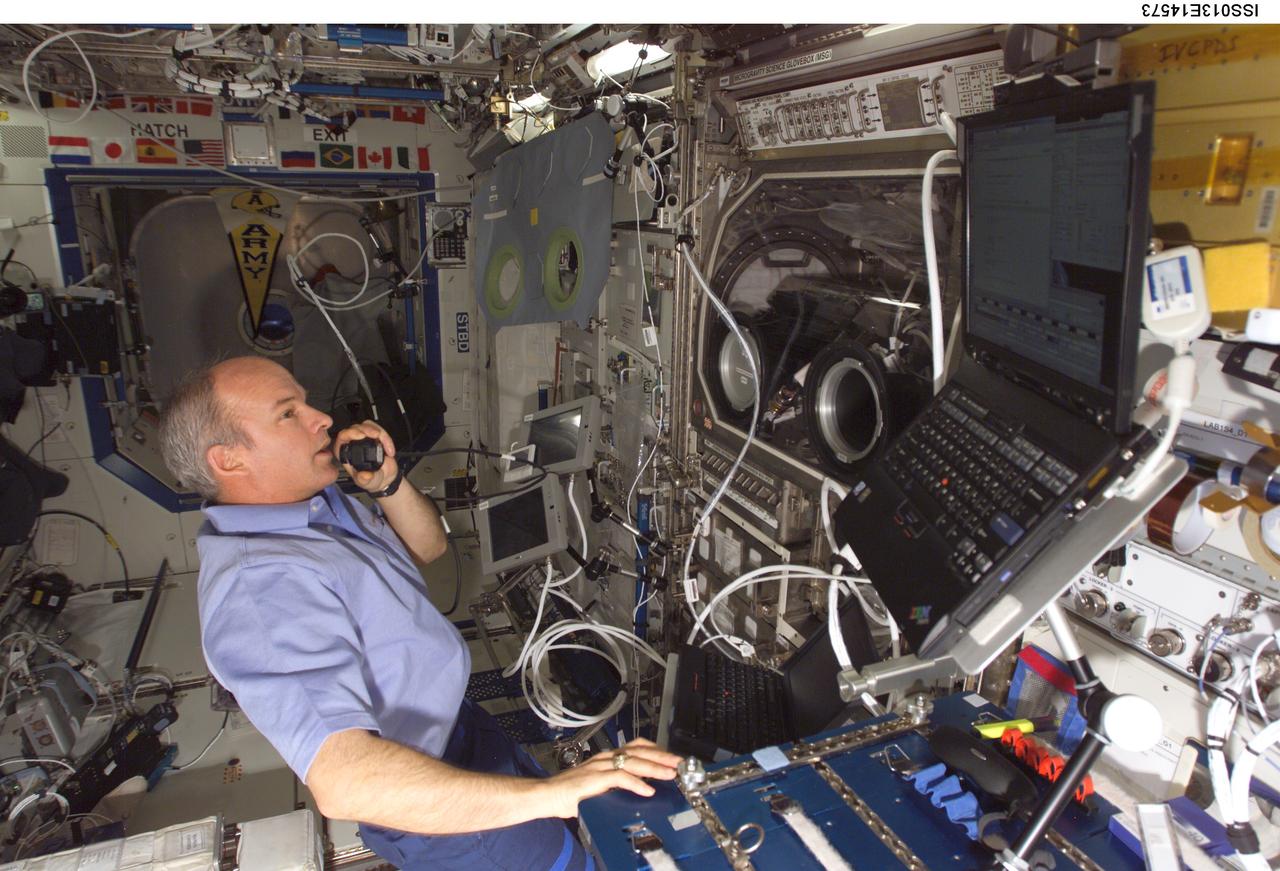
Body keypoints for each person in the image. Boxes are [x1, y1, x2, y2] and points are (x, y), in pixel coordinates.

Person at [158, 356, 680, 870]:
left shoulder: (314, 507)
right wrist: (560, 794)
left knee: (576, 837)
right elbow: (345, 784)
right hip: (434, 803)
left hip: (466, 736)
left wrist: (386, 484)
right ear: (228, 460)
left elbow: (427, 548)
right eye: (288, 413)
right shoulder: (259, 590)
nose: (321, 418)